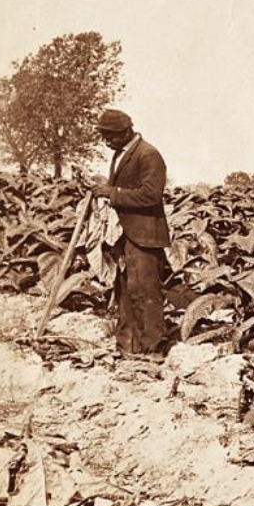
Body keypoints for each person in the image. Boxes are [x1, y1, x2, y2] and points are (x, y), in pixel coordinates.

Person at [91, 108, 170, 354]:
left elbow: (151, 194)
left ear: (127, 131)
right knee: (125, 291)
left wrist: (112, 193)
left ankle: (153, 349)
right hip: (125, 233)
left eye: (111, 136)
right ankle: (127, 347)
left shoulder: (148, 154)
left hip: (144, 236)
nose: (107, 142)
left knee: (146, 293)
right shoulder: (121, 153)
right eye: (104, 136)